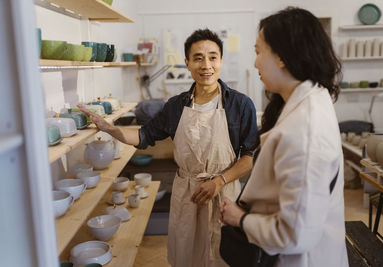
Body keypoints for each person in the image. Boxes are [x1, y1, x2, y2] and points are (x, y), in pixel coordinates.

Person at [78, 29, 259, 267]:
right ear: (187, 63)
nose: (206, 65)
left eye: (213, 57)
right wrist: (109, 128)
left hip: (224, 194)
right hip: (188, 194)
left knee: (222, 257)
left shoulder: (241, 104)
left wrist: (218, 182)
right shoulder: (175, 106)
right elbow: (144, 136)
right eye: (198, 58)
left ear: (221, 61)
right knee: (186, 255)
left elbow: (248, 158)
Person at [220, 7, 348, 267]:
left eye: (258, 51)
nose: (255, 63)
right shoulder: (308, 101)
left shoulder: (305, 131)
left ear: (281, 56)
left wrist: (239, 218)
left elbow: (296, 234)